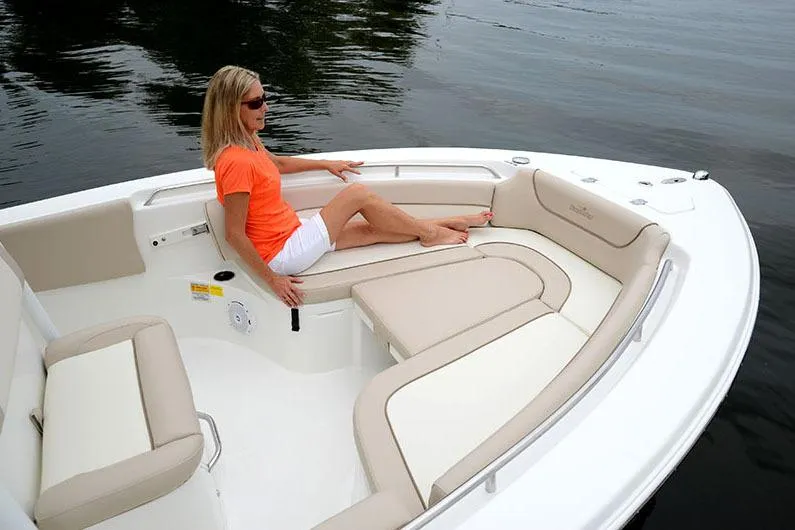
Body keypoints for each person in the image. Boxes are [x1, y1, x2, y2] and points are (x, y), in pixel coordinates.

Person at [201, 65, 492, 307]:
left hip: (290, 231)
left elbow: (277, 165)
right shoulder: (236, 161)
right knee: (357, 195)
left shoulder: (248, 139)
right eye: (255, 103)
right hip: (281, 254)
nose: (265, 107)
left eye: (264, 97)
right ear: (230, 109)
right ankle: (429, 233)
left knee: (373, 231)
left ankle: (447, 222)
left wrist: (325, 164)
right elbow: (234, 235)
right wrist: (272, 279)